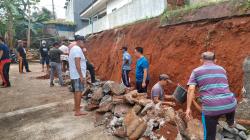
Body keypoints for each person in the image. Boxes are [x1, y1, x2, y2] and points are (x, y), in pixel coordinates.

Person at [185, 52, 237, 140]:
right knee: (227, 101)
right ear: (215, 60)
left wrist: (188, 108)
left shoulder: (196, 71)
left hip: (211, 108)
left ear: (201, 60)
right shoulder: (222, 69)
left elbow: (191, 89)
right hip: (230, 104)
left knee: (209, 136)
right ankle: (231, 122)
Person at [69, 36, 88, 116]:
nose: (84, 44)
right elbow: (77, 64)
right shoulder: (77, 49)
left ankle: (76, 107)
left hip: (74, 74)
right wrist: (81, 76)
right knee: (78, 92)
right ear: (80, 41)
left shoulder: (74, 48)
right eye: (84, 42)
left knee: (76, 92)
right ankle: (77, 111)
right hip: (77, 75)